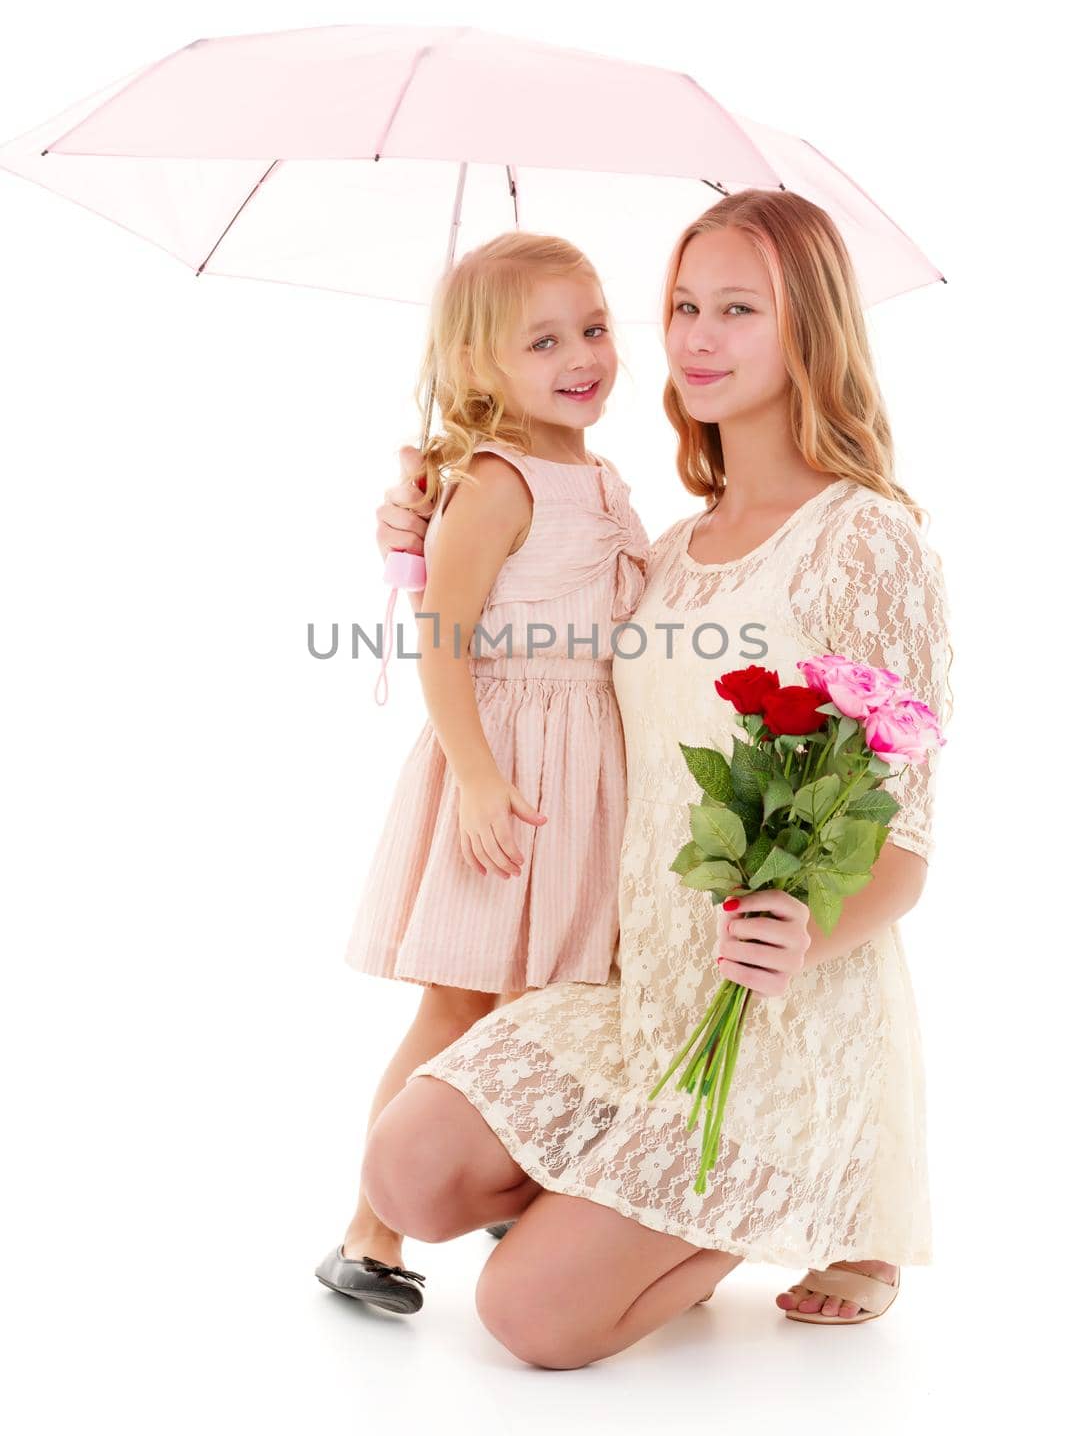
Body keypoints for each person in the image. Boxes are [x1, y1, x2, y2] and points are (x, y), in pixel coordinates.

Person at [360, 189, 954, 1363]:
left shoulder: (861, 540)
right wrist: (424, 526)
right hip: (638, 998)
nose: (694, 336)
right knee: (407, 1170)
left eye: (737, 308)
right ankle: (630, 1206)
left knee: (527, 1317)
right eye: (682, 305)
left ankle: (798, 1191)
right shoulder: (666, 550)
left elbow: (902, 853)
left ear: (810, 332)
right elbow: (525, 607)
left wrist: (801, 928)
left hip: (768, 1014)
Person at [315, 233, 650, 1314]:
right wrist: (474, 775)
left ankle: (516, 1181)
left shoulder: (598, 474)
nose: (580, 354)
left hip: (584, 763)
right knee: (459, 1001)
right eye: (542, 339)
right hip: (506, 757)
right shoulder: (497, 485)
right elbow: (441, 636)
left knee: (541, 1001)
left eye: (592, 327)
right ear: (476, 369)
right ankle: (372, 1227)